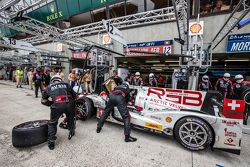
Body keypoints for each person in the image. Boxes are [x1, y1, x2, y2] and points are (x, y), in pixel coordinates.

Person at [41, 75, 77, 150]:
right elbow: (74, 96)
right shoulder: (66, 84)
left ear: (52, 81)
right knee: (71, 118)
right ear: (60, 80)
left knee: (52, 123)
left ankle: (51, 142)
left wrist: (51, 104)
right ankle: (71, 130)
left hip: (57, 105)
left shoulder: (49, 87)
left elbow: (43, 100)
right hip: (70, 104)